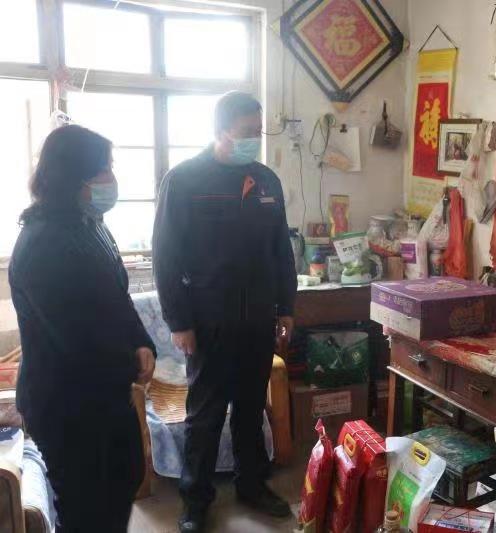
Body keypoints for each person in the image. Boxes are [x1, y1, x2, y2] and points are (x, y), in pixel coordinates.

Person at [153, 91, 296, 532]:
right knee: (206, 415)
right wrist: (179, 322)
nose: (255, 139)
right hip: (208, 320)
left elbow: (281, 250)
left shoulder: (266, 181)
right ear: (220, 131)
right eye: (246, 132)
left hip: (257, 318)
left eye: (258, 131)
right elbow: (166, 257)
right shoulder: (185, 180)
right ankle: (195, 499)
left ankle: (252, 484)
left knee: (251, 410)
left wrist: (286, 307)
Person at [9, 125, 156, 532]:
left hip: (105, 392)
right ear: (74, 175)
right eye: (103, 168)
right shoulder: (43, 242)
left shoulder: (91, 225)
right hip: (66, 404)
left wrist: (141, 341)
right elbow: (77, 337)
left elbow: (119, 296)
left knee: (124, 480)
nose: (111, 178)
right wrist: (130, 363)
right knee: (86, 509)